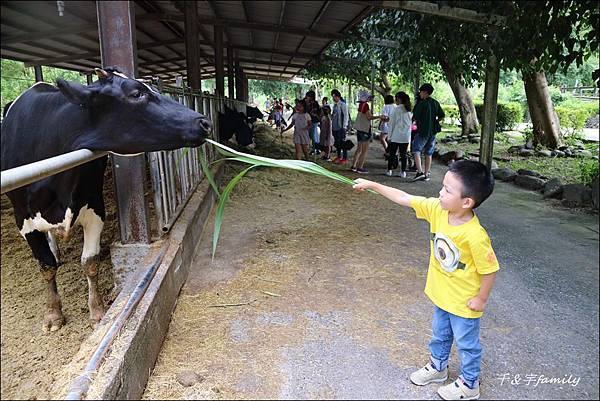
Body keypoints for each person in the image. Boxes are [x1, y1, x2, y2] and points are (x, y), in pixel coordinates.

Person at [352, 160, 498, 401]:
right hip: (442, 295)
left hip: (464, 302)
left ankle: (470, 383)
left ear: (467, 202)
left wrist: (481, 299)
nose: (440, 192)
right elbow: (403, 198)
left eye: (448, 190)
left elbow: (490, 269)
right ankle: (438, 367)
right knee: (439, 334)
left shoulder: (475, 235)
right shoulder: (438, 210)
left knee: (466, 344)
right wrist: (372, 184)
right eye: (442, 186)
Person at [411, 83, 445, 182]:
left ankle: (420, 172)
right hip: (433, 131)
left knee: (416, 149)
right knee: (428, 152)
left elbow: (415, 117)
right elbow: (442, 115)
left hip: (423, 131)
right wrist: (435, 121)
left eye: (421, 92)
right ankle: (426, 174)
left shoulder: (422, 103)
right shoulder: (435, 102)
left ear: (425, 92)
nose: (420, 94)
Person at [350, 90, 384, 174]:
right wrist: (379, 116)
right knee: (364, 150)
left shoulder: (361, 105)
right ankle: (360, 167)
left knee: (359, 148)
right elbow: (369, 117)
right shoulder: (366, 106)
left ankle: (354, 166)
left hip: (359, 129)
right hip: (365, 129)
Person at [386, 91, 413, 178]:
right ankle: (403, 172)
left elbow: (391, 124)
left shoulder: (396, 109)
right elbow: (411, 125)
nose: (395, 100)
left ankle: (389, 170)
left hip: (395, 135)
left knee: (392, 153)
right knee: (403, 154)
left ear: (399, 99)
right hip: (405, 136)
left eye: (396, 99)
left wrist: (389, 136)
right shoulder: (409, 111)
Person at [330, 89, 350, 165]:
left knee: (343, 142)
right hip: (335, 127)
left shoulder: (343, 105)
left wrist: (344, 126)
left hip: (341, 127)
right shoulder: (335, 105)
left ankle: (344, 158)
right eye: (332, 96)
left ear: (338, 97)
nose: (333, 98)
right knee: (337, 143)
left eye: (334, 96)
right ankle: (338, 156)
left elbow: (346, 116)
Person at [305, 90, 321, 155]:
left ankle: (315, 149)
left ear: (311, 97)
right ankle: (316, 149)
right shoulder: (310, 103)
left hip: (314, 121)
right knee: (314, 135)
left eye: (308, 96)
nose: (306, 97)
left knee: (313, 136)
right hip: (312, 121)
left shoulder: (314, 104)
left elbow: (314, 112)